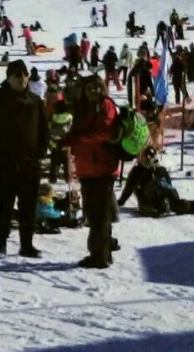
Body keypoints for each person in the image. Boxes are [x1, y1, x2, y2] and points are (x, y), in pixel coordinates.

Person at [0, 60, 48, 258]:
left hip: (29, 163)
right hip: (3, 161)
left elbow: (44, 130)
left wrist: (42, 152)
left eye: (23, 74)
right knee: (3, 206)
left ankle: (27, 245)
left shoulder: (35, 101)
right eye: (16, 74)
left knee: (28, 206)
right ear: (8, 77)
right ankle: (1, 245)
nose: (21, 78)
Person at [65, 74, 119, 269]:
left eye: (96, 87)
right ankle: (105, 249)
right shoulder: (83, 108)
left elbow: (105, 132)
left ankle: (99, 255)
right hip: (87, 167)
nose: (92, 91)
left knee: (99, 215)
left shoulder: (106, 105)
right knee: (93, 212)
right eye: (89, 88)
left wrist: (77, 139)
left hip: (102, 168)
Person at [119, 147, 194, 216]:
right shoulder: (137, 171)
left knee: (177, 204)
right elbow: (129, 188)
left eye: (151, 157)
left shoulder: (160, 169)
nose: (149, 160)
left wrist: (159, 171)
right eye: (147, 157)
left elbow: (169, 186)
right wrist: (120, 201)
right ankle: (162, 206)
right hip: (147, 199)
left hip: (162, 195)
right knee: (158, 205)